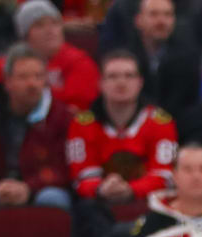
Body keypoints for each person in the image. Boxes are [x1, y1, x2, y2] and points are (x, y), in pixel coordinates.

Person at [0, 45, 76, 215]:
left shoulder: (61, 116)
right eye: (23, 77)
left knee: (53, 198)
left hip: (38, 191)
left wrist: (29, 188)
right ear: (7, 81)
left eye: (38, 76)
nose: (32, 84)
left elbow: (62, 170)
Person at [68, 51, 179, 207]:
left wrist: (130, 189)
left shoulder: (161, 123)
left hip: (149, 204)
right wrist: (101, 188)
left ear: (140, 82)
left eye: (129, 76)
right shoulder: (82, 124)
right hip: (98, 204)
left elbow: (164, 176)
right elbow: (82, 177)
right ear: (100, 83)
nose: (121, 82)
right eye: (113, 76)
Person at [0, 1, 101, 110]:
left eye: (55, 23)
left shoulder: (80, 62)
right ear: (25, 35)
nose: (50, 30)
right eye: (39, 25)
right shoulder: (5, 66)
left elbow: (79, 106)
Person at [125, 0, 202, 115]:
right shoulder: (125, 58)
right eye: (154, 14)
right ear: (138, 20)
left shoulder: (188, 59)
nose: (161, 21)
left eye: (167, 15)